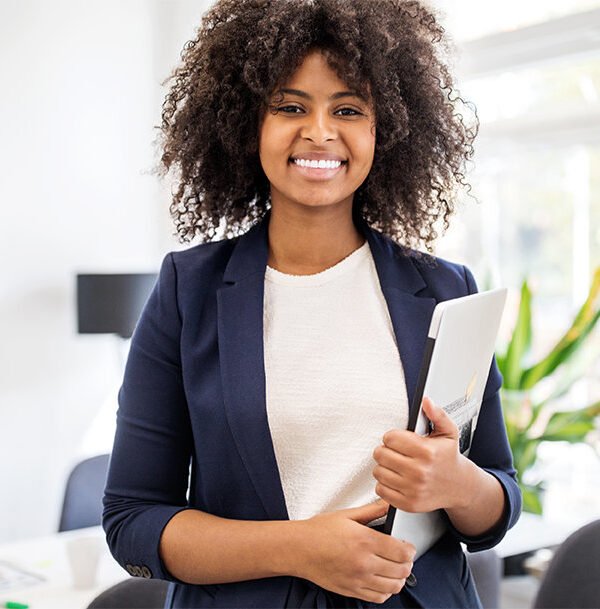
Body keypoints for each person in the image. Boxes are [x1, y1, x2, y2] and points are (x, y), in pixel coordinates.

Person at [102, 1, 521, 607]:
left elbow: (497, 505)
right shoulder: (185, 292)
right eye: (290, 106)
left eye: (348, 109)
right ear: (248, 125)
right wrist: (300, 547)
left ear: (388, 129)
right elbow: (133, 520)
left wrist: (457, 484)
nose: (320, 131)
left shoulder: (444, 287)